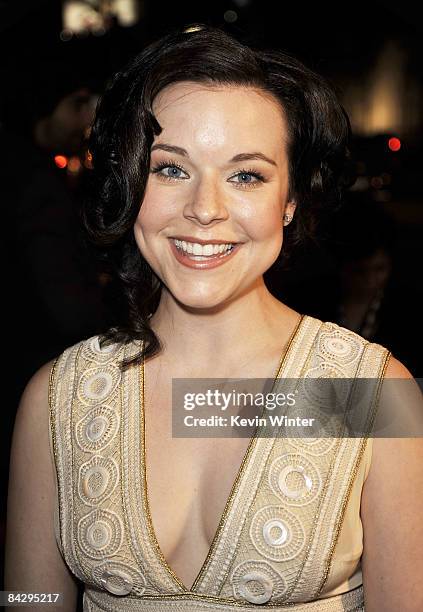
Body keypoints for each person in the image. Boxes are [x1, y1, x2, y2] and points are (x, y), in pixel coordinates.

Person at [4, 25, 422, 611]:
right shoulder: (60, 397)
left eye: (246, 175)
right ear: (130, 183)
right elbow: (28, 599)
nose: (205, 209)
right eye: (171, 168)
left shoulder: (369, 392)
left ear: (291, 200)